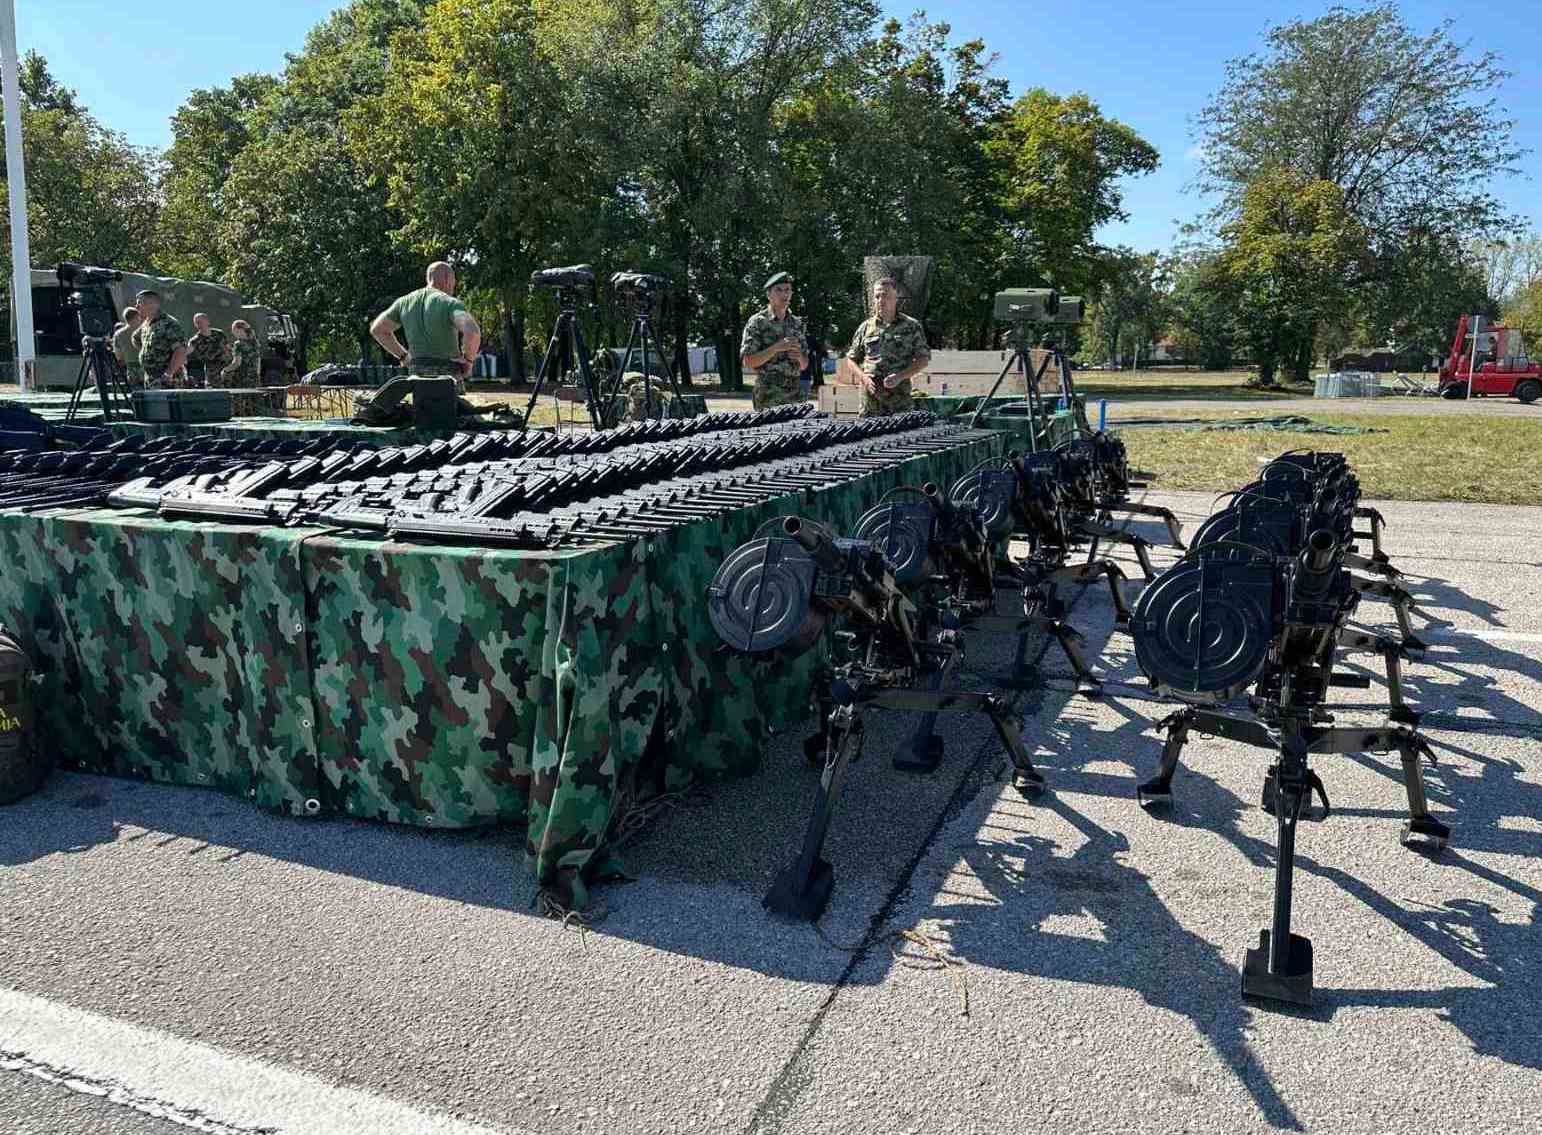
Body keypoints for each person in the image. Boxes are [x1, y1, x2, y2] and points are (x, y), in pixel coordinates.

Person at [369, 261, 481, 391]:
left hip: (417, 376)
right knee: (451, 405)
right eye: (454, 282)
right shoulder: (450, 303)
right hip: (448, 377)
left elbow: (377, 329)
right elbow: (472, 332)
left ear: (428, 278)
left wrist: (403, 356)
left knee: (421, 404)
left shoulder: (404, 302)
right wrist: (468, 361)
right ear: (448, 280)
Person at [842, 276, 930, 417]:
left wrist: (900, 376)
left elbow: (923, 360)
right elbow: (851, 360)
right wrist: (863, 377)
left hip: (899, 402)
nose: (880, 300)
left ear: (896, 298)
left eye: (885, 296)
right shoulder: (866, 327)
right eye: (877, 296)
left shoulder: (911, 326)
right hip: (871, 403)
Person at [740, 271, 808, 410]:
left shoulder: (797, 324)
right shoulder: (758, 322)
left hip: (795, 395)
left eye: (787, 290)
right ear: (769, 295)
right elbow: (748, 361)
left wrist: (799, 357)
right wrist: (776, 348)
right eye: (779, 290)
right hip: (768, 396)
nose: (784, 294)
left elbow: (804, 365)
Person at [131, 290, 188, 389]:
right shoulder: (146, 323)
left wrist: (169, 374)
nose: (136, 307)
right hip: (151, 379)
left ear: (152, 304)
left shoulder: (169, 323)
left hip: (168, 380)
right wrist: (145, 352)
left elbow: (180, 351)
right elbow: (135, 338)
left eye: (139, 303)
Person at [186, 313, 231, 387]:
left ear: (207, 321)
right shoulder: (195, 340)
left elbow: (228, 349)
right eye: (196, 322)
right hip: (212, 374)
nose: (199, 324)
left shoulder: (219, 334)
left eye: (201, 321)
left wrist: (230, 366)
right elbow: (186, 352)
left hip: (226, 371)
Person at [220, 320, 261, 388]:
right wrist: (258, 376)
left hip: (242, 379)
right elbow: (258, 361)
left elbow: (237, 363)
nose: (233, 333)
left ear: (240, 330)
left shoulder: (238, 344)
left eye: (234, 330)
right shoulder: (255, 343)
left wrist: (225, 370)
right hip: (254, 379)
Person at [111, 306, 144, 388]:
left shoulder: (118, 334)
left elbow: (118, 356)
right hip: (146, 367)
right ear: (137, 317)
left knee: (135, 392)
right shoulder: (144, 330)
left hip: (131, 369)